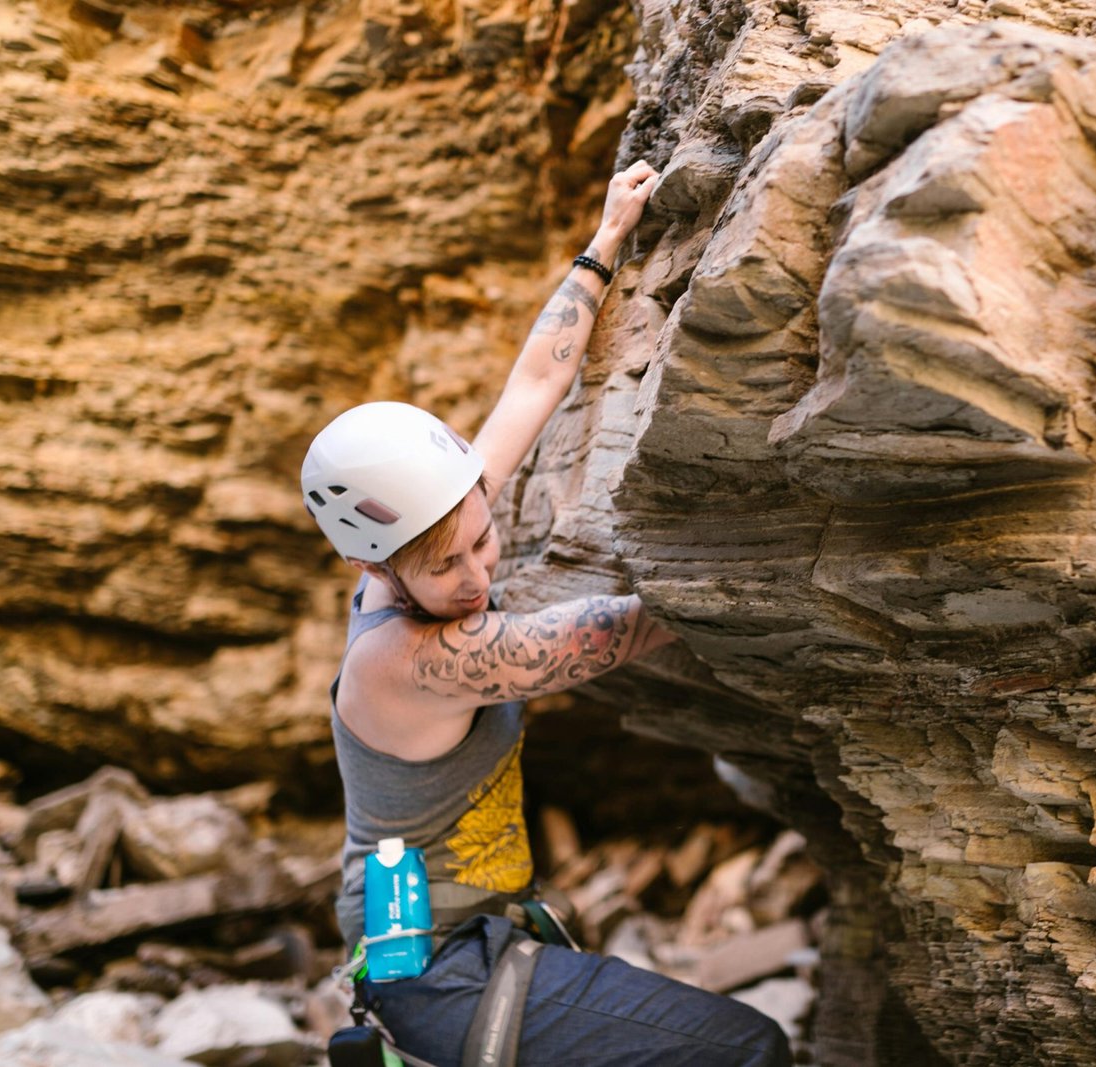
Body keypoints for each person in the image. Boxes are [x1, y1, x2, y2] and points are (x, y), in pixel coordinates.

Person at [301, 159, 792, 1066]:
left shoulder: (438, 510)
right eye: (445, 567)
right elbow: (590, 638)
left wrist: (605, 242)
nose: (477, 573)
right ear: (370, 562)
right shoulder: (399, 660)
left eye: (484, 539)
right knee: (747, 1049)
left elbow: (532, 385)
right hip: (437, 977)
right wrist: (768, 555)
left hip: (483, 944)